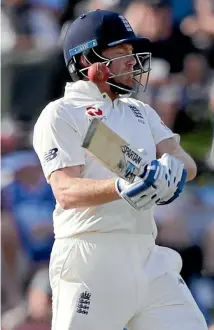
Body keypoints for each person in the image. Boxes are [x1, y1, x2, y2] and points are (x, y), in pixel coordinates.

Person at [33, 9, 207, 330]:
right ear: (88, 60)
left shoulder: (140, 111)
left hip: (148, 256)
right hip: (90, 258)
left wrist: (170, 170)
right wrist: (121, 187)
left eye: (131, 52)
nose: (132, 61)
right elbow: (66, 191)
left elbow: (187, 164)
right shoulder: (61, 113)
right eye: (121, 52)